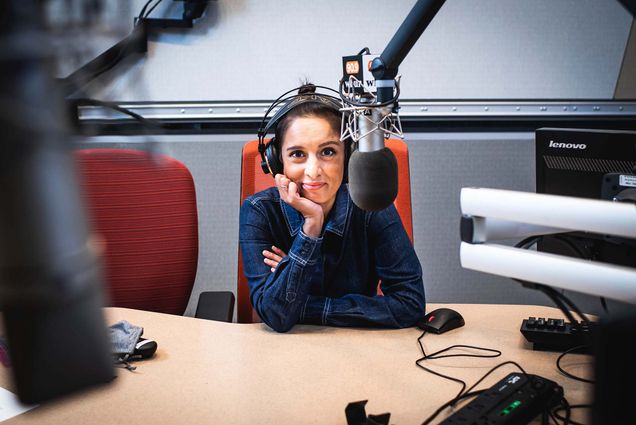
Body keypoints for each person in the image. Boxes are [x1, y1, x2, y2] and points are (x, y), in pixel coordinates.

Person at [239, 84, 425, 333]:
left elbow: (409, 304)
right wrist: (311, 227)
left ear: (347, 156)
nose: (313, 171)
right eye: (297, 154)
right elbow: (276, 316)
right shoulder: (258, 212)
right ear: (276, 161)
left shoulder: (370, 206)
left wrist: (298, 298)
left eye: (328, 152)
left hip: (360, 352)